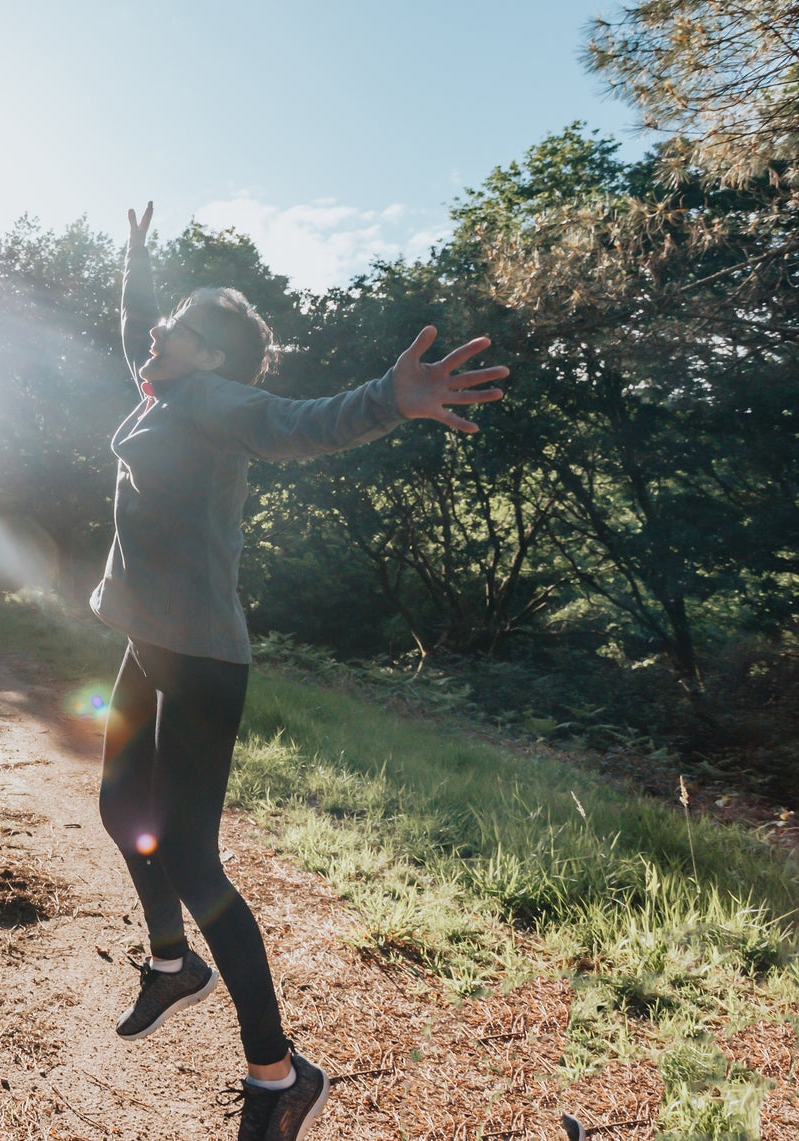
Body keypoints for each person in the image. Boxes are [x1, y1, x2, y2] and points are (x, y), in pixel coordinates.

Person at [92, 201, 507, 1140]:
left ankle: (279, 1074)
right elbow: (136, 327)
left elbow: (303, 423)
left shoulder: (216, 402)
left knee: (192, 858)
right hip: (150, 642)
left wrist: (389, 400)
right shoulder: (162, 381)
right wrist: (136, 257)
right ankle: (172, 966)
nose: (161, 332)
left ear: (212, 359)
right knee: (122, 809)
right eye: (171, 322)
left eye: (185, 330)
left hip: (198, 657)